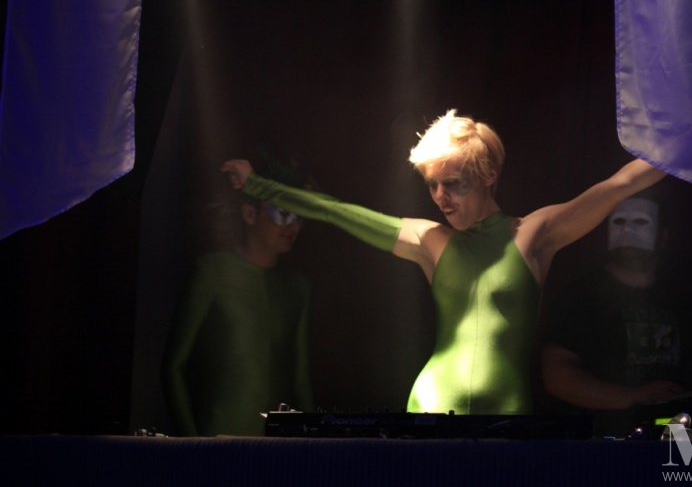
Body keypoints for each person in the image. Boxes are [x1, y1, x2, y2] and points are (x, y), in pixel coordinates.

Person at [221, 109, 666, 415]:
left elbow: (618, 186)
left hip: (507, 414)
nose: (440, 196)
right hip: (431, 406)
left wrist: (689, 147)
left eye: (452, 182)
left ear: (489, 174)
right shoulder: (429, 240)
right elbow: (337, 211)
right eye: (432, 185)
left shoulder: (532, 233)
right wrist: (258, 186)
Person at [162, 157, 314, 436]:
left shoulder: (297, 287)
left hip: (277, 447)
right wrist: (193, 444)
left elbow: (301, 379)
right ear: (249, 214)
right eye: (283, 213)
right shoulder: (211, 273)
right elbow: (174, 368)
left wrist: (312, 443)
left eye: (299, 216)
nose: (294, 227)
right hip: (216, 444)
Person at [541, 191, 692, 437]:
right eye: (618, 222)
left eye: (641, 221)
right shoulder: (581, 295)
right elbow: (557, 378)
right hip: (600, 442)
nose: (628, 230)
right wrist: (634, 397)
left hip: (671, 439)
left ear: (662, 236)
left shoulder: (681, 297)